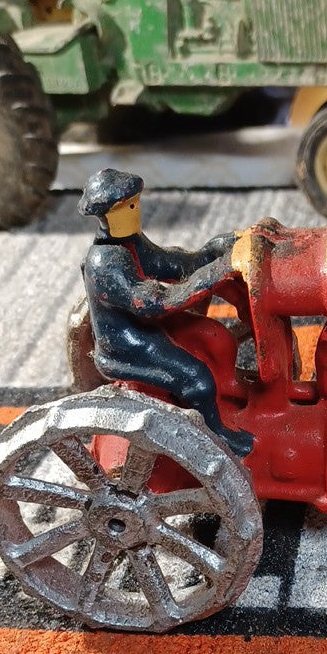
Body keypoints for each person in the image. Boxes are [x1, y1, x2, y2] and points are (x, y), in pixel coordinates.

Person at [78, 168, 253, 458]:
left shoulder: (132, 243)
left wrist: (217, 249)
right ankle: (215, 437)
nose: (135, 212)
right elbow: (151, 303)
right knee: (196, 377)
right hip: (126, 342)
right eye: (127, 207)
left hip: (144, 328)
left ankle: (229, 393)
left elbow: (174, 264)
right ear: (106, 215)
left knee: (215, 336)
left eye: (135, 204)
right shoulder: (104, 262)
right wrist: (214, 273)